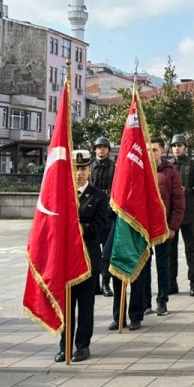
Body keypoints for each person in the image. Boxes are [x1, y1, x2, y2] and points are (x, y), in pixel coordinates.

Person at [58, 150, 112, 362]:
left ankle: (82, 345)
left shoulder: (98, 196)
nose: (79, 173)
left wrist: (77, 227)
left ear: (90, 170)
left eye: (82, 168)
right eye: (75, 169)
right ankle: (65, 345)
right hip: (66, 259)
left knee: (85, 305)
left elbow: (100, 227)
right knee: (66, 305)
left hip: (88, 258)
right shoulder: (62, 194)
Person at [169, 134, 194, 296]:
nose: (177, 148)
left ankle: (193, 281)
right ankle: (171, 282)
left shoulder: (193, 165)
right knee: (170, 249)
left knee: (190, 248)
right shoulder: (168, 165)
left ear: (185, 147)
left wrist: (190, 193)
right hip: (171, 214)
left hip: (188, 212)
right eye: (174, 146)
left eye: (179, 145)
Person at [152, 137, 185, 316]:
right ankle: (144, 301)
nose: (151, 153)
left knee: (163, 264)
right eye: (148, 150)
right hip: (144, 226)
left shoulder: (171, 172)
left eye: (154, 150)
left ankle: (162, 299)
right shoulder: (140, 170)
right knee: (142, 265)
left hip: (163, 226)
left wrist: (172, 227)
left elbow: (178, 202)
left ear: (162, 151)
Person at [91, 137, 116, 297]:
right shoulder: (89, 166)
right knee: (93, 251)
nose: (101, 150)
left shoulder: (114, 167)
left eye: (104, 147)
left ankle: (106, 283)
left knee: (107, 252)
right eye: (99, 147)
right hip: (92, 214)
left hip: (107, 213)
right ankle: (94, 284)